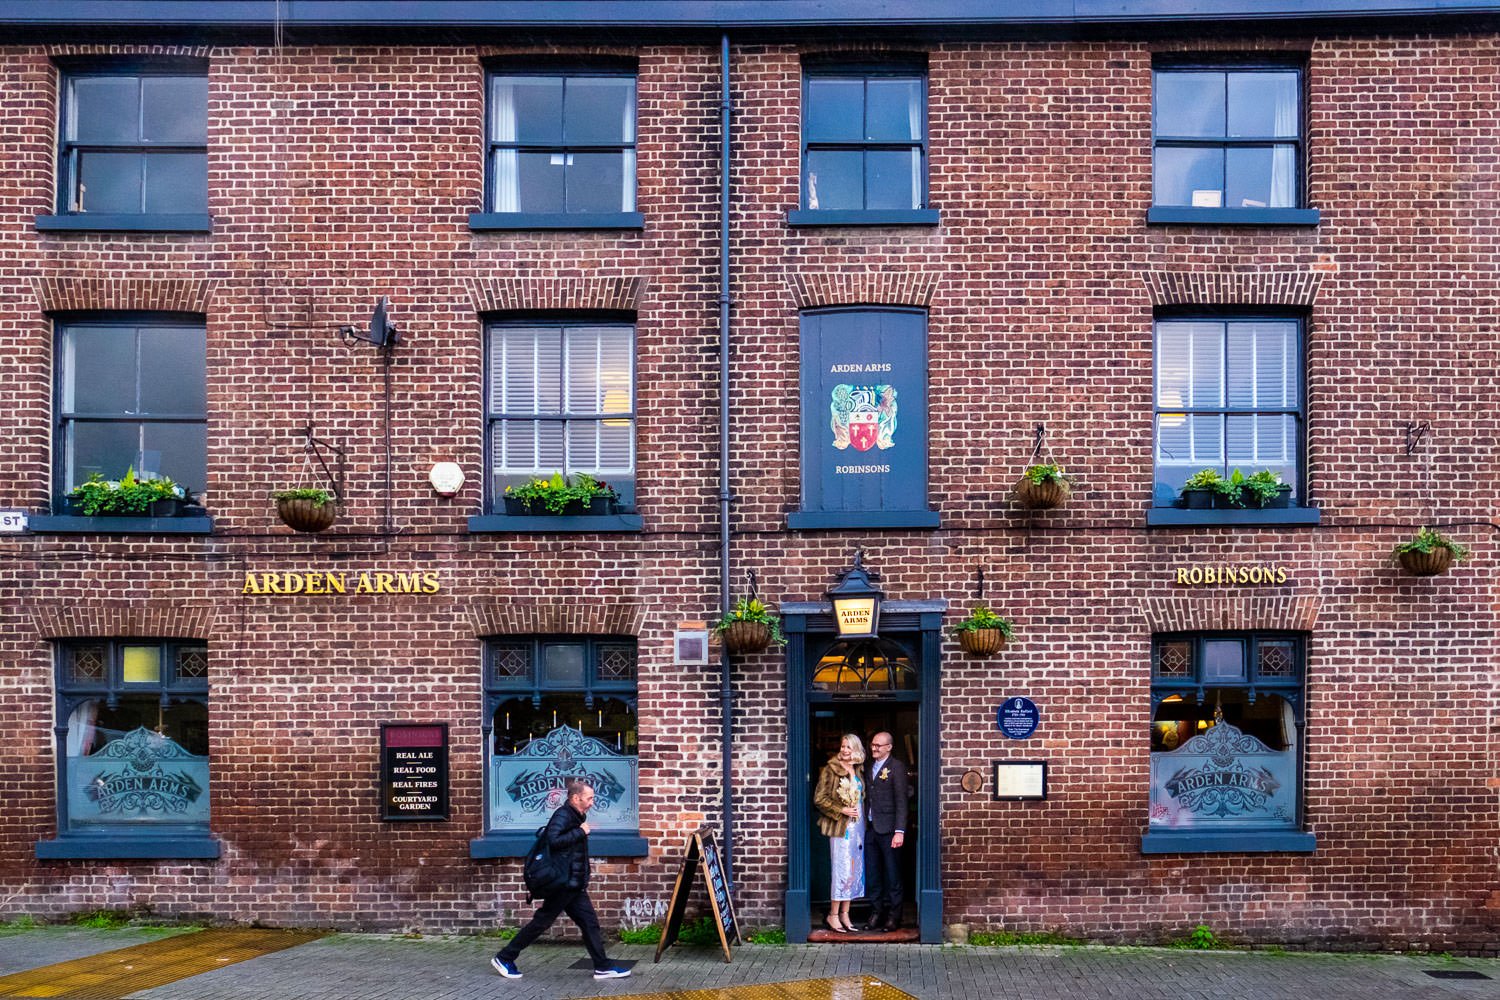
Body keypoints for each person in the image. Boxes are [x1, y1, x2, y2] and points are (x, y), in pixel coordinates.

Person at [491, 777, 631, 981]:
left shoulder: (575, 815)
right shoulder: (563, 815)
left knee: (589, 923)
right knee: (541, 922)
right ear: (576, 798)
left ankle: (602, 966)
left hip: (572, 885)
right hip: (563, 884)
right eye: (589, 798)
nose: (592, 802)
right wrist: (580, 832)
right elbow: (553, 841)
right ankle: (505, 957)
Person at [813, 733, 865, 933]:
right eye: (843, 746)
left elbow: (862, 798)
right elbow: (819, 798)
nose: (844, 750)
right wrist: (841, 810)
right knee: (841, 869)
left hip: (858, 828)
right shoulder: (831, 769)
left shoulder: (858, 769)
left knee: (853, 870)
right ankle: (832, 914)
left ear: (856, 750)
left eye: (848, 747)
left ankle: (846, 913)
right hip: (841, 828)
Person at [862, 731, 910, 931]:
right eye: (873, 744)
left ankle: (894, 916)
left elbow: (901, 800)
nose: (874, 748)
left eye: (879, 745)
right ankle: (876, 913)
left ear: (889, 747)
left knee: (892, 875)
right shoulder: (868, 767)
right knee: (873, 874)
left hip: (890, 829)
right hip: (871, 828)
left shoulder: (896, 767)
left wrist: (900, 831)